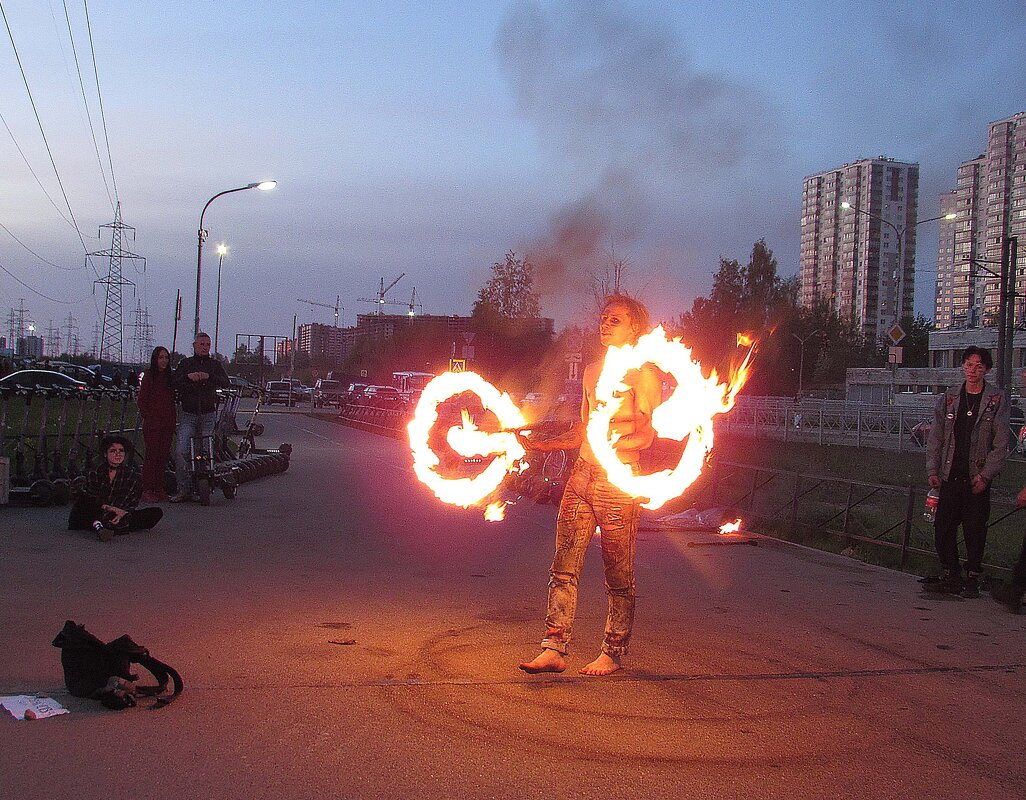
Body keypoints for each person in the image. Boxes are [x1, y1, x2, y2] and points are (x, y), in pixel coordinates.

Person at [517, 294, 661, 676]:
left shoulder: (644, 375)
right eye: (603, 318)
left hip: (617, 482)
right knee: (563, 566)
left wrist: (613, 447)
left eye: (615, 320)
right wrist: (544, 444)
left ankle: (613, 651)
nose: (604, 324)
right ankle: (553, 647)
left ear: (634, 328)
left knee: (618, 572)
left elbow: (647, 436)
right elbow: (584, 429)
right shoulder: (593, 371)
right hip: (581, 476)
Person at [925, 346, 1010, 598]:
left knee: (975, 530)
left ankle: (972, 576)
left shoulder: (996, 400)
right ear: (962, 366)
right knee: (943, 527)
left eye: (979, 366)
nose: (973, 370)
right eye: (969, 365)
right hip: (950, 474)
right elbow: (936, 436)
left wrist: (986, 476)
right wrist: (933, 469)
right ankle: (951, 573)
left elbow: (1001, 442)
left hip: (977, 477)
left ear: (987, 370)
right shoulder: (950, 397)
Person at [169, 332, 231, 502]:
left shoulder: (214, 365)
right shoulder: (186, 364)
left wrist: (209, 377)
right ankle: (184, 488)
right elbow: (174, 382)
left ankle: (205, 481)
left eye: (207, 345)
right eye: (202, 344)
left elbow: (225, 382)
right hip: (188, 413)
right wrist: (188, 378)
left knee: (205, 449)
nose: (205, 347)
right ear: (194, 345)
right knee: (181, 450)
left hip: (207, 413)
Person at [68, 435, 162, 542]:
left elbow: (131, 501)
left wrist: (122, 512)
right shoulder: (96, 472)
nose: (118, 454)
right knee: (87, 506)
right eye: (113, 451)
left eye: (121, 451)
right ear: (105, 454)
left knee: (155, 513)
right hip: (98, 509)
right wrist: (110, 508)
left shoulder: (132, 476)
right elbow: (91, 497)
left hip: (119, 511)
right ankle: (101, 526)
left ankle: (107, 525)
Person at [137, 346, 176, 503]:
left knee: (162, 456)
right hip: (153, 424)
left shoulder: (169, 377)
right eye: (161, 357)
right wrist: (150, 417)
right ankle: (147, 489)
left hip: (167, 423)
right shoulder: (149, 376)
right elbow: (142, 400)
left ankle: (159, 488)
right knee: (151, 455)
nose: (164, 361)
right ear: (155, 359)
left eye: (166, 358)